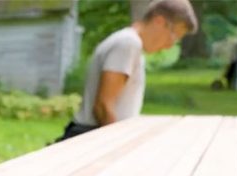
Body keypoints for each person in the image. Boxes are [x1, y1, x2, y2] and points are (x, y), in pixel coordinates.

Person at [56, 0, 198, 142]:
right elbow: (103, 107)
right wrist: (119, 145)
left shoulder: (130, 43)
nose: (169, 46)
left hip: (95, 134)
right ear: (159, 21)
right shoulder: (128, 43)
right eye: (174, 36)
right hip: (91, 137)